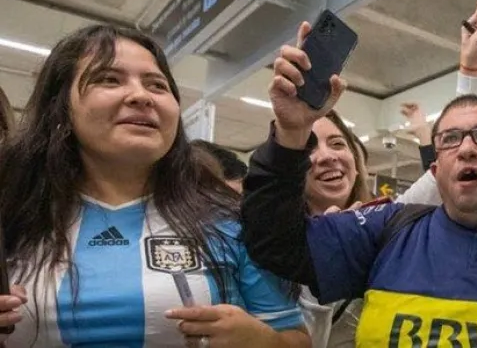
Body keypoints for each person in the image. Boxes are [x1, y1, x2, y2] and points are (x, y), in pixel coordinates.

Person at [0, 24, 307, 347]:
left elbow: (296, 339)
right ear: (59, 107)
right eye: (109, 79)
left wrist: (263, 341)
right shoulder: (13, 218)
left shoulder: (230, 220)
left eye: (157, 85)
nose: (141, 96)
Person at [241, 21, 477, 347]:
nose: (466, 148)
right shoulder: (387, 231)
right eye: (449, 139)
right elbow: (272, 243)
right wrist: (290, 134)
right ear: (437, 164)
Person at [295, 107, 441, 348]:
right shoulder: (275, 248)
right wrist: (328, 248)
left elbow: (442, 174)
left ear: (355, 160)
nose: (327, 156)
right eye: (309, 148)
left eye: (337, 144)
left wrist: (425, 132)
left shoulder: (386, 222)